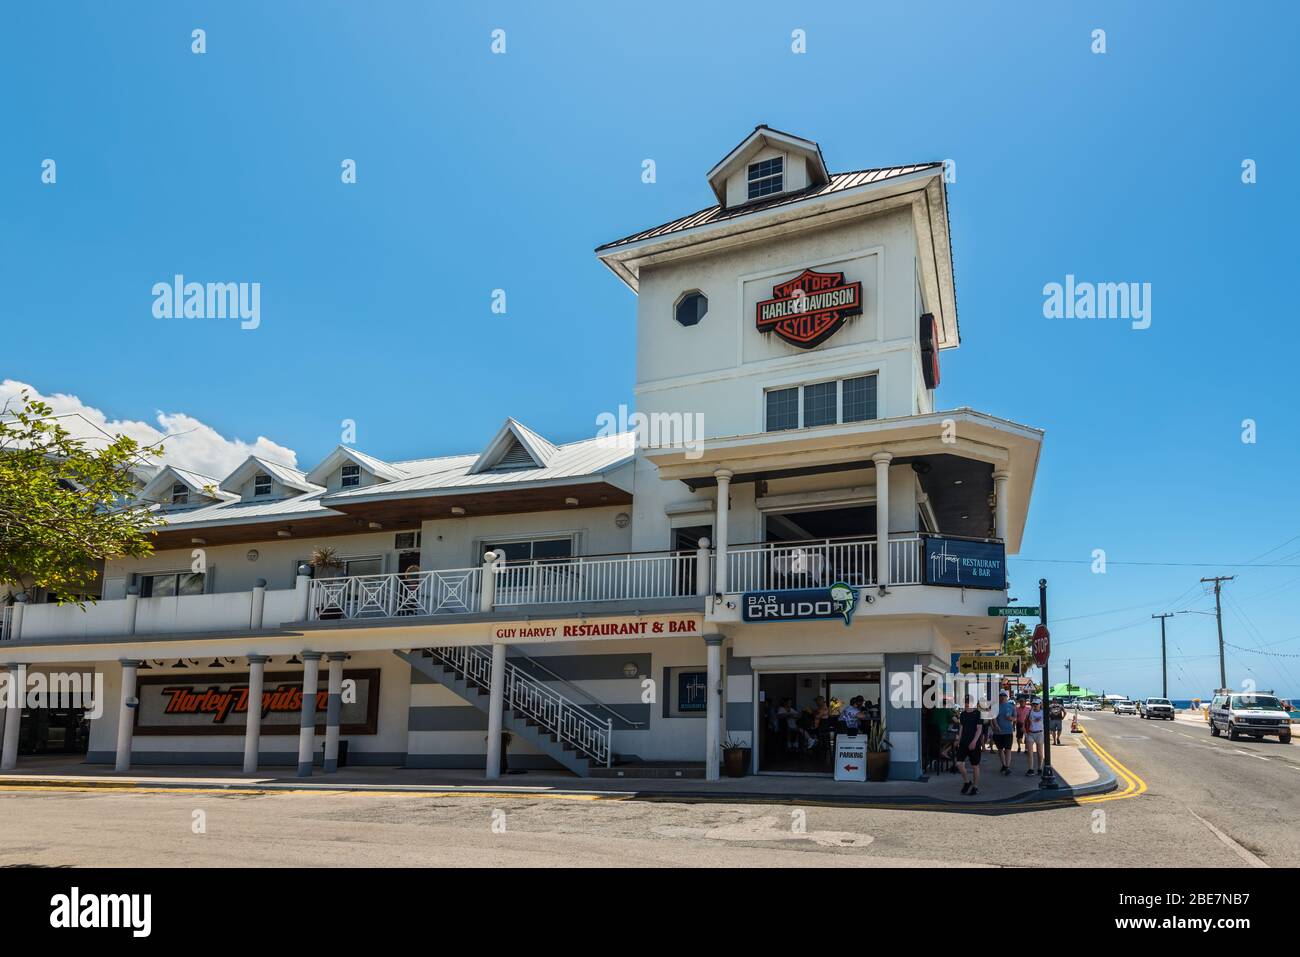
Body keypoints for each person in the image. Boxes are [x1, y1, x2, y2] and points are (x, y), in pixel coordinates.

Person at [956, 697, 984, 795]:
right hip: (963, 742)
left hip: (974, 744)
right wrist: (959, 740)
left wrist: (974, 742)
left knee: (975, 766)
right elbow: (961, 728)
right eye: (965, 704)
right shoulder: (963, 714)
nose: (966, 707)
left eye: (968, 705)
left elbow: (979, 729)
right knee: (959, 763)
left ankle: (975, 787)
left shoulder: (978, 714)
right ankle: (967, 782)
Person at [994, 690, 1015, 774]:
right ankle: (1004, 765)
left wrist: (1011, 718)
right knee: (1000, 749)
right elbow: (993, 718)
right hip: (998, 732)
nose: (1002, 697)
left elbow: (1015, 718)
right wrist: (996, 726)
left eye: (1004, 696)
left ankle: (1007, 766)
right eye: (1001, 696)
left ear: (1007, 697)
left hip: (1008, 731)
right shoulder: (995, 707)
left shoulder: (1011, 706)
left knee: (1008, 749)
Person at [1025, 698, 1046, 775]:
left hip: (1039, 733)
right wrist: (1025, 731)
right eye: (1033, 704)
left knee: (1039, 752)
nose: (1035, 705)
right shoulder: (1030, 712)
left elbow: (1048, 720)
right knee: (1030, 752)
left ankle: (1040, 768)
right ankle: (1030, 769)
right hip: (1031, 733)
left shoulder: (1043, 712)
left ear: (1040, 704)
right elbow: (1025, 721)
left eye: (1036, 704)